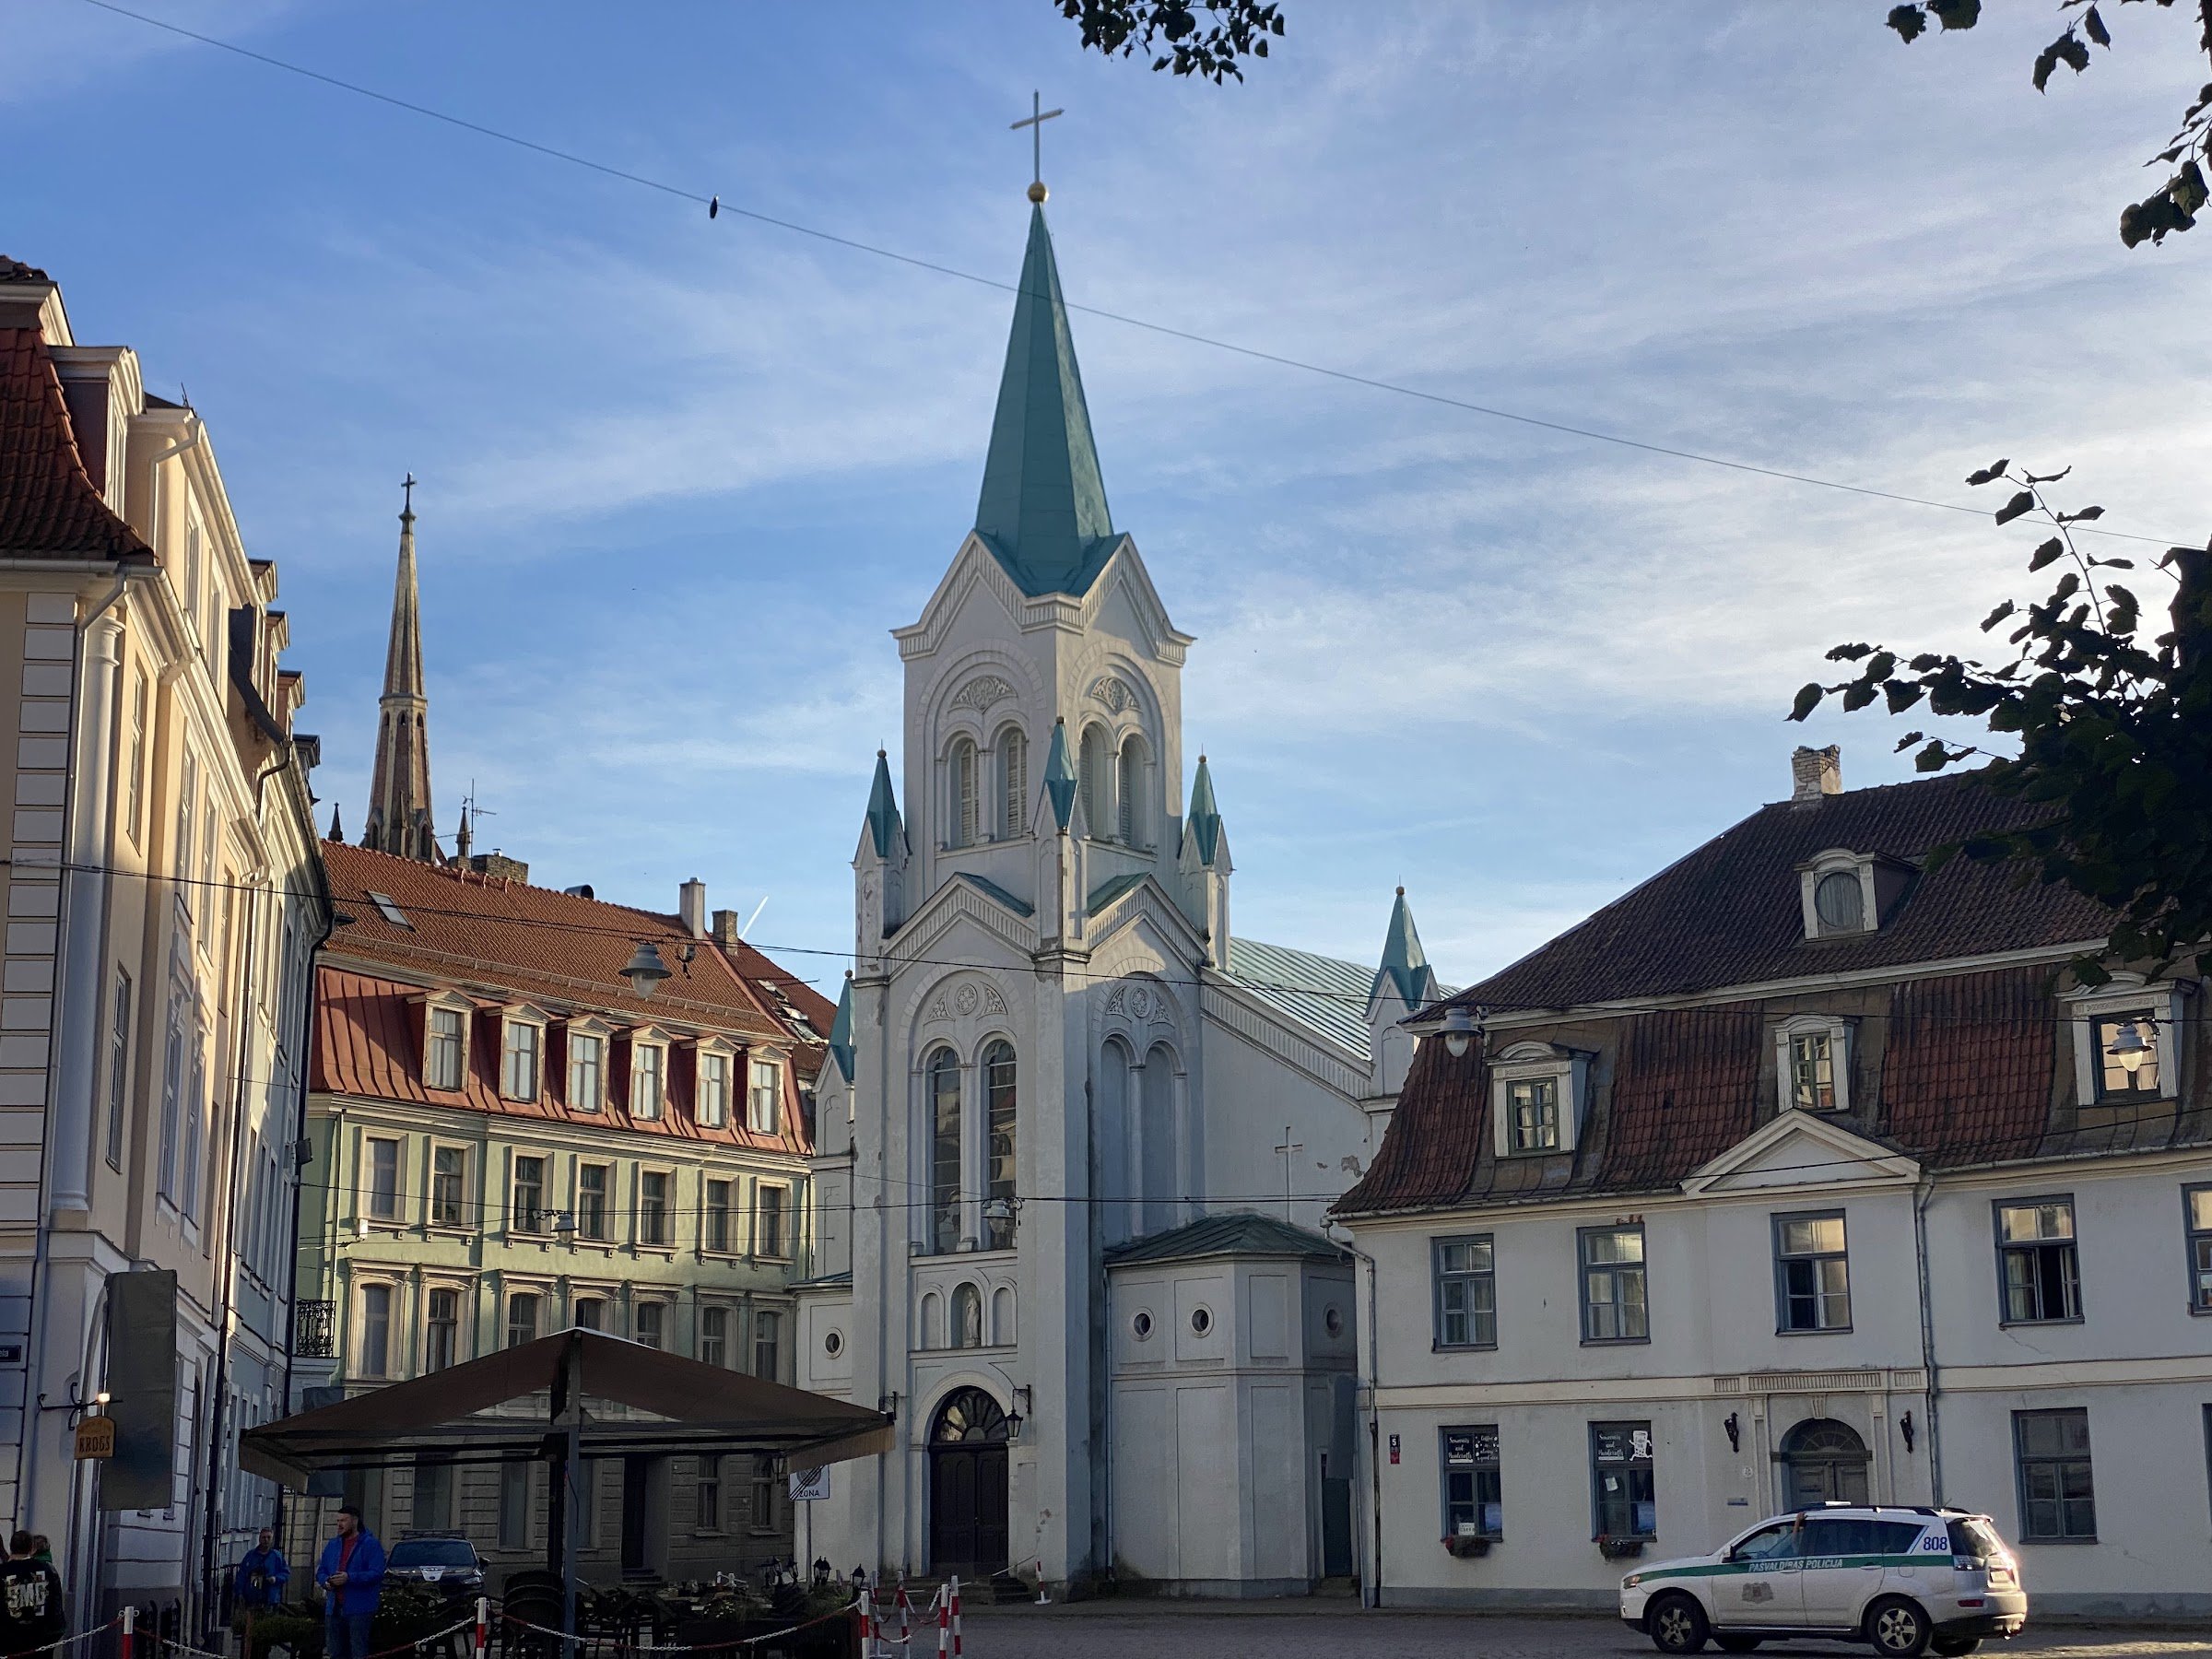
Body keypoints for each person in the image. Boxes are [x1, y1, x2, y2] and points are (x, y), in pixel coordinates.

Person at [313, 1508, 384, 1659]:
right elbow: (321, 1570)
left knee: (358, 1651)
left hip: (359, 1608)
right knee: (335, 1651)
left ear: (355, 1521)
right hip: (334, 1608)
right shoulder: (333, 1545)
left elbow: (377, 1573)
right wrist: (326, 1581)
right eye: (338, 1521)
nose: (339, 1524)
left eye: (343, 1520)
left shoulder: (370, 1545)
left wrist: (349, 1578)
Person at [0, 1529, 66, 1659]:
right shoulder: (47, 1569)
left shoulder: (3, 1572)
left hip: (8, 1639)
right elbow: (55, 1603)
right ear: (31, 1548)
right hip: (41, 1638)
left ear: (11, 1547)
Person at [234, 1529, 289, 1610]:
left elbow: (285, 1573)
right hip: (252, 1597)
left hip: (271, 1598)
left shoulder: (277, 1556)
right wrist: (239, 1592)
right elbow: (242, 1574)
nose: (266, 1540)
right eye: (263, 1537)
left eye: (268, 1537)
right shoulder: (251, 1555)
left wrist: (275, 1579)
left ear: (272, 1539)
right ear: (259, 1539)